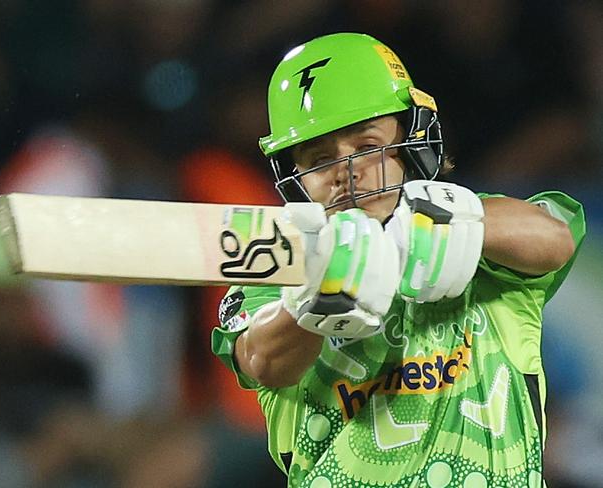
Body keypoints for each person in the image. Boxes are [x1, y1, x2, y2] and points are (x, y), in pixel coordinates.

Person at [211, 32, 585, 487]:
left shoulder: (488, 249)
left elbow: (555, 238)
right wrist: (309, 302)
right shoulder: (280, 270)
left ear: (414, 139)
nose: (346, 173)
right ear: (296, 179)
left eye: (367, 146)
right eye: (319, 158)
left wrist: (461, 224)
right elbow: (260, 358)